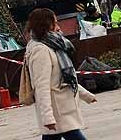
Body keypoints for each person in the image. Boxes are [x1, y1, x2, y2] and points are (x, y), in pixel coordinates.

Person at [20, 8, 97, 140]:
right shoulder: (41, 50)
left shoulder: (53, 45)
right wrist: (47, 117)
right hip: (57, 110)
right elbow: (41, 86)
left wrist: (86, 95)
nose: (58, 27)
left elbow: (64, 77)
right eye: (54, 23)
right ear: (45, 26)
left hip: (62, 108)